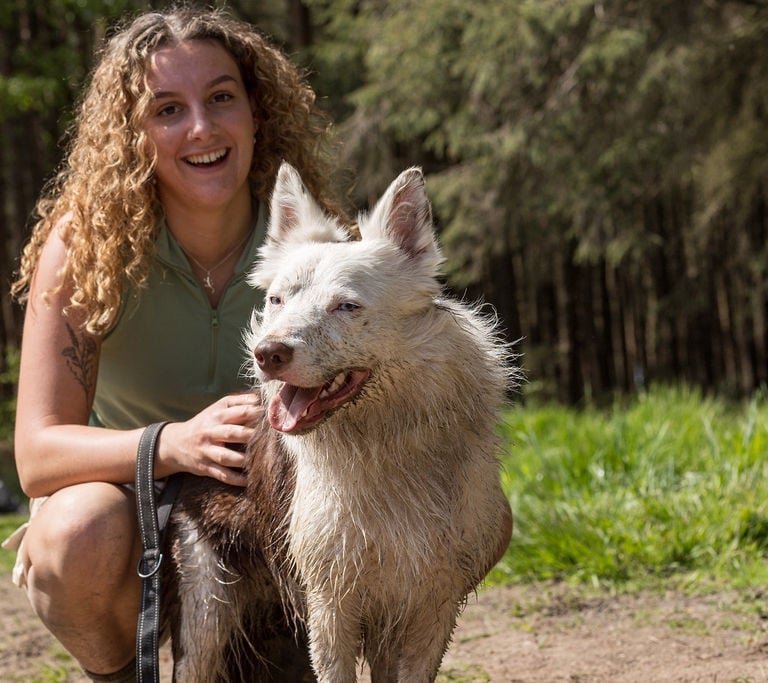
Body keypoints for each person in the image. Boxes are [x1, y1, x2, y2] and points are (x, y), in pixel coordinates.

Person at [3, 7, 342, 681]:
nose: (202, 127)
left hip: (272, 510)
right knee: (76, 530)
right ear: (133, 135)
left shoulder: (317, 247)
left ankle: (290, 640)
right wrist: (171, 443)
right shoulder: (87, 246)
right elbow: (38, 454)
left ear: (256, 110)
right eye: (167, 109)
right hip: (128, 513)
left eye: (221, 97)